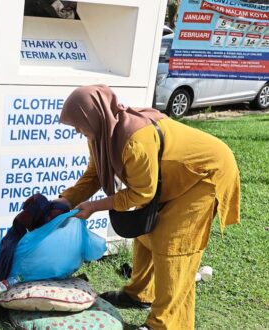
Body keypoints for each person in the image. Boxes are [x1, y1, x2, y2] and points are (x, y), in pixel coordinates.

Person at [54, 85, 240, 330]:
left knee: (174, 247)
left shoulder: (134, 141)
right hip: (171, 176)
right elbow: (94, 176)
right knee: (144, 234)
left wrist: (95, 206)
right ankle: (140, 294)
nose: (78, 131)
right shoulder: (101, 135)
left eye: (78, 124)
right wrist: (65, 200)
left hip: (203, 175)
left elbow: (141, 194)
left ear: (93, 116)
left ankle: (165, 324)